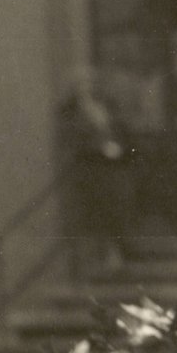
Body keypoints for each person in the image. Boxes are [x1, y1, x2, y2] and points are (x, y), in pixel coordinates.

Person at [56, 63, 132, 273]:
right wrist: (100, 148)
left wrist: (118, 146)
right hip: (88, 168)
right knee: (91, 214)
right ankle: (92, 260)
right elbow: (70, 140)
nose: (87, 85)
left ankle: (115, 253)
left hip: (110, 167)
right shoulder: (70, 111)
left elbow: (118, 129)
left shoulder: (105, 105)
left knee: (113, 208)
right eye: (82, 82)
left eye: (90, 81)